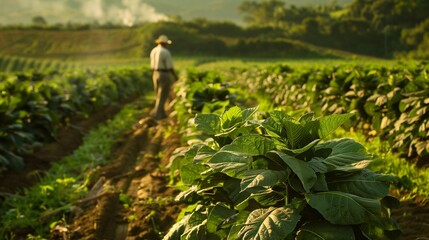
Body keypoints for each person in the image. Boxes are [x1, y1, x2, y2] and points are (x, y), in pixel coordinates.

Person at [150, 34, 178, 120]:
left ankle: (159, 112)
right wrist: (175, 76)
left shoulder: (154, 50)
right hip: (164, 74)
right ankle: (158, 114)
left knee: (157, 94)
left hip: (155, 73)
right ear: (165, 43)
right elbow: (169, 67)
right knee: (163, 94)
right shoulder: (165, 52)